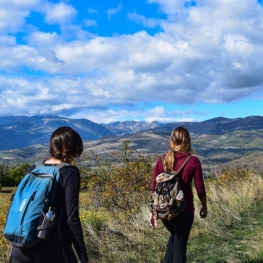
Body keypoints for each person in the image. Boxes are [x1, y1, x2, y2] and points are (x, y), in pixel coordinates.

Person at [10, 126, 89, 263]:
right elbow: (72, 218)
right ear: (73, 149)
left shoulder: (34, 168)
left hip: (20, 246)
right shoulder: (70, 172)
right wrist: (83, 256)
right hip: (52, 246)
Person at [149, 126, 207, 263]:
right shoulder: (193, 161)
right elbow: (200, 188)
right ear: (187, 141)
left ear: (171, 141)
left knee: (175, 239)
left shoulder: (162, 159)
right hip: (184, 210)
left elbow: (154, 187)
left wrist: (152, 211)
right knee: (180, 248)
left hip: (164, 210)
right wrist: (204, 206)